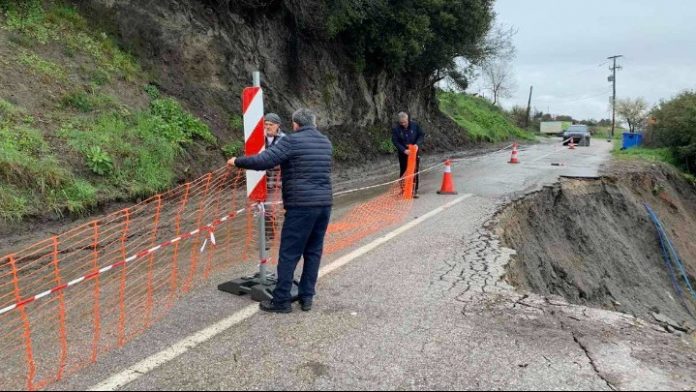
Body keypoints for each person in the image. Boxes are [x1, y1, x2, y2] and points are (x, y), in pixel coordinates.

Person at [228, 108, 333, 314]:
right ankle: (306, 297)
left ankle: (282, 300)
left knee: (289, 253)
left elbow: (264, 161)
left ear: (295, 124)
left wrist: (237, 161)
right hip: (324, 205)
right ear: (313, 123)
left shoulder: (291, 141)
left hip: (301, 206)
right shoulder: (325, 142)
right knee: (313, 251)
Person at [263, 113, 286, 250]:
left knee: (269, 208)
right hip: (263, 181)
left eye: (271, 124)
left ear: (278, 125)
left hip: (279, 182)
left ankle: (271, 237)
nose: (268, 127)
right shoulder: (259, 139)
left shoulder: (284, 140)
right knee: (263, 209)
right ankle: (268, 235)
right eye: (266, 124)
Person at [391, 112, 425, 197]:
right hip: (403, 153)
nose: (403, 124)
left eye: (405, 122)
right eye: (401, 123)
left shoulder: (415, 125)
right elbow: (395, 141)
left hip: (414, 152)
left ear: (408, 119)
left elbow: (421, 135)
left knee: (414, 170)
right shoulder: (396, 129)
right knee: (403, 171)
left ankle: (414, 190)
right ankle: (403, 189)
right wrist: (403, 150)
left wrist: (417, 144)